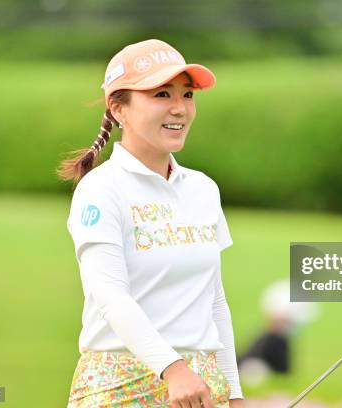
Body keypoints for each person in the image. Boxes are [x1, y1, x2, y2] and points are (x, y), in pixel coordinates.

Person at [57, 39, 244, 407]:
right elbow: (111, 295)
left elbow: (214, 301)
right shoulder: (100, 189)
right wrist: (172, 369)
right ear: (118, 108)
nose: (180, 109)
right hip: (120, 388)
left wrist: (234, 394)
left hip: (200, 387)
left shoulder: (203, 190)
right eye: (161, 94)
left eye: (187, 95)